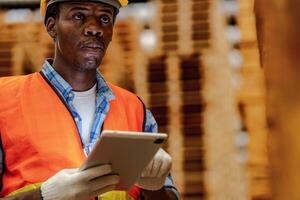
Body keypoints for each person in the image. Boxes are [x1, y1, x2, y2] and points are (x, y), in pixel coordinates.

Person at [0, 0, 180, 199]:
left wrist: (155, 186)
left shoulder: (134, 109)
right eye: (79, 16)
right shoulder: (5, 100)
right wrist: (45, 196)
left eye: (104, 18)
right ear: (52, 26)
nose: (95, 28)